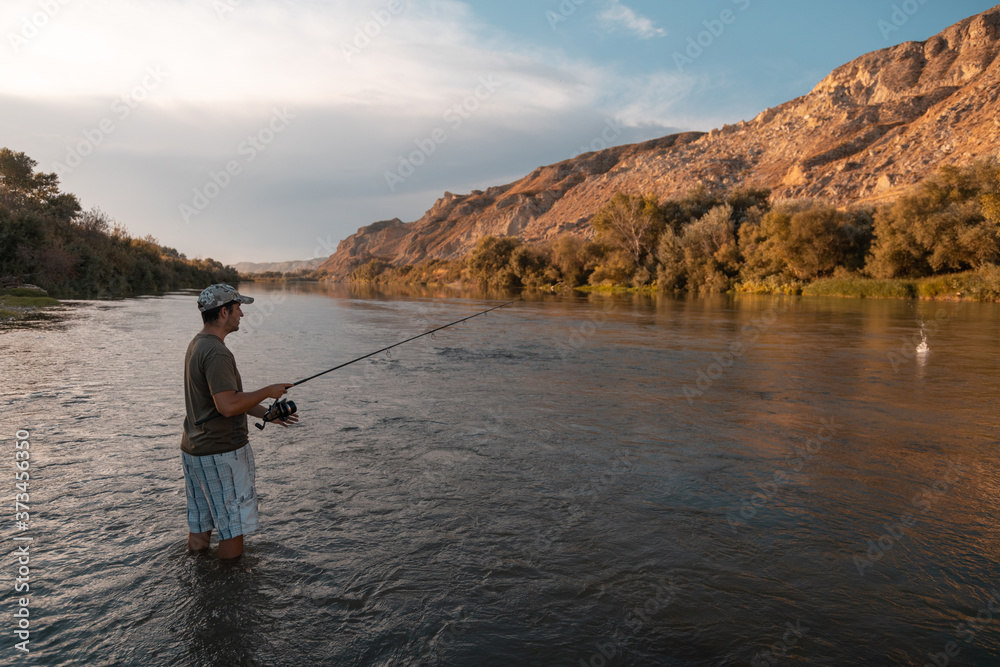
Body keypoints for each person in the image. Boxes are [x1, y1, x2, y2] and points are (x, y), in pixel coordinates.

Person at [180, 284, 299, 560]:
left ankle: (197, 574)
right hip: (222, 454)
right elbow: (228, 405)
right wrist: (269, 390)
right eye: (238, 308)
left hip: (195, 451)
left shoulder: (197, 343)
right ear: (224, 312)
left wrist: (265, 412)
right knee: (232, 528)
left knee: (200, 525)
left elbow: (223, 400)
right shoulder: (218, 353)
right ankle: (230, 594)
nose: (242, 315)